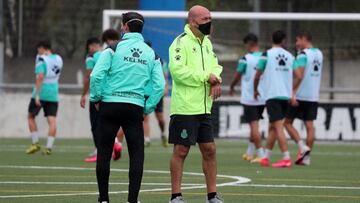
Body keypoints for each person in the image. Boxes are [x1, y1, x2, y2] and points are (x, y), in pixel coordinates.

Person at [90, 12, 165, 203]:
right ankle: (132, 200)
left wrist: (97, 98)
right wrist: (147, 108)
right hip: (134, 108)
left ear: (124, 26)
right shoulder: (152, 54)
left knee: (104, 152)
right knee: (137, 155)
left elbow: (96, 75)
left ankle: (104, 199)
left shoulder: (112, 49)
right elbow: (159, 86)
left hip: (109, 105)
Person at [168, 5, 224, 203]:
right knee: (181, 150)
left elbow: (215, 66)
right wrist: (205, 77)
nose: (209, 22)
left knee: (210, 149)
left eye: (210, 17)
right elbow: (177, 71)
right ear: (193, 22)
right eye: (205, 19)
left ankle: (212, 195)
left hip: (205, 107)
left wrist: (216, 78)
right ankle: (175, 196)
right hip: (185, 107)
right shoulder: (179, 43)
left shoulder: (207, 43)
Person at [80, 30, 123, 163]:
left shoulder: (92, 57)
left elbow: (89, 76)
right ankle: (114, 143)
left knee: (96, 124)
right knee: (108, 123)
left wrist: (83, 95)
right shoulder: (116, 53)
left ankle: (102, 150)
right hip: (113, 94)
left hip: (98, 94)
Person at [254, 30, 295, 168]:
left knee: (278, 127)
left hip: (273, 94)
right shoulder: (290, 56)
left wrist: (255, 89)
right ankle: (265, 157)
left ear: (272, 38)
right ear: (283, 40)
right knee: (272, 127)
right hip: (286, 95)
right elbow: (296, 75)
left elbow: (258, 74)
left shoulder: (266, 54)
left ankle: (286, 157)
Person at [284, 31, 323, 165]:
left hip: (300, 95)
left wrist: (292, 93)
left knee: (287, 123)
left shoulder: (302, 55)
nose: (296, 43)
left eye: (297, 40)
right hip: (313, 95)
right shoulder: (319, 53)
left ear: (304, 39)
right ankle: (306, 158)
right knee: (309, 126)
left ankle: (303, 147)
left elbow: (299, 75)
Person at [229, 33, 265, 163]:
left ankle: (261, 154)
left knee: (254, 126)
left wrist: (232, 86)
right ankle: (250, 153)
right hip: (262, 97)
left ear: (249, 44)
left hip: (250, 97)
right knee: (254, 125)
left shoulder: (246, 58)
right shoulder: (264, 56)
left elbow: (238, 75)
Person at [26, 41, 63, 155]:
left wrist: (37, 95)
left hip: (41, 93)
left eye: (39, 50)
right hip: (53, 93)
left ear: (42, 48)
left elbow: (40, 76)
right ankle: (48, 148)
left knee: (30, 116)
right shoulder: (58, 58)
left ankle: (35, 143)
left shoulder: (41, 60)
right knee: (51, 120)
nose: (38, 52)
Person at [143, 40, 169, 148]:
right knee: (144, 117)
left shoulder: (158, 59)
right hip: (144, 92)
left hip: (156, 93)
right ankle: (146, 139)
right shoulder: (141, 60)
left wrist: (166, 88)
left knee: (160, 118)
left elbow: (164, 76)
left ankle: (163, 134)